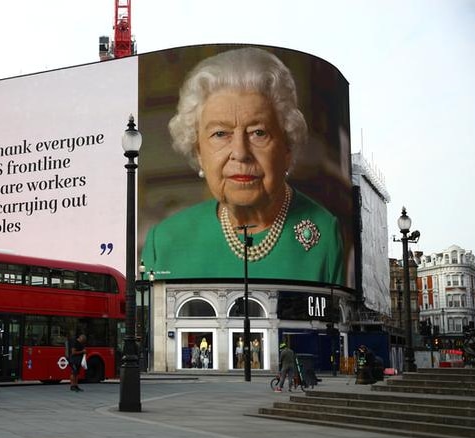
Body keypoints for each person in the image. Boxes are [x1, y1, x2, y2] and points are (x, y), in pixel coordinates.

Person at [141, 47, 344, 284]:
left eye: (258, 132)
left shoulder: (325, 234)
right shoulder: (165, 241)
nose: (240, 153)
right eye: (220, 134)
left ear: (287, 146)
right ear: (198, 152)